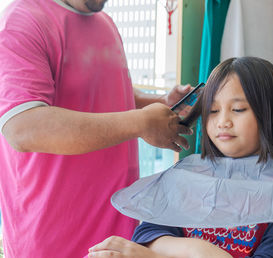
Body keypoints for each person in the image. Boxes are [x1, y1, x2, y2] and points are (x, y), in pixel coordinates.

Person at [0, 0, 193, 257]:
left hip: (116, 234)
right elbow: (24, 127)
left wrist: (159, 104)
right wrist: (141, 122)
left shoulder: (104, 21)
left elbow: (104, 88)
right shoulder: (23, 20)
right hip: (52, 241)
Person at [88, 57, 273, 258]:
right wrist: (198, 250)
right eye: (212, 111)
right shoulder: (189, 176)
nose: (223, 122)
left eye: (238, 109)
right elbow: (148, 236)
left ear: (269, 113)